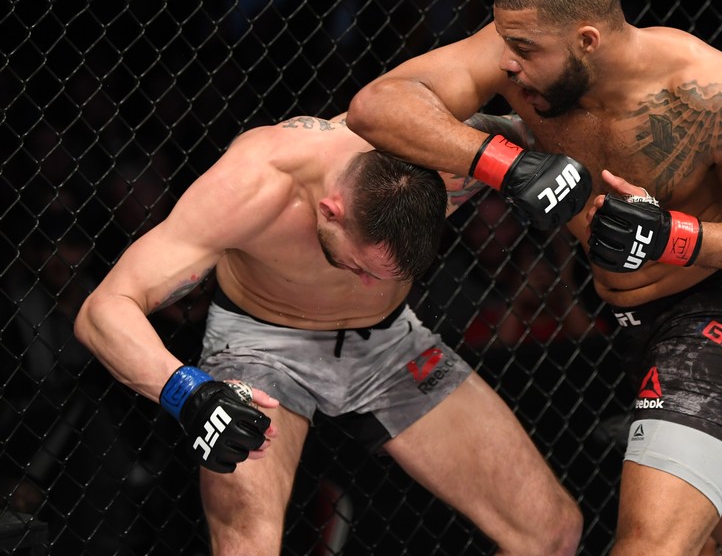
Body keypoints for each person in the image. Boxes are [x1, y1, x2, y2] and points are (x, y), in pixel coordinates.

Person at [347, 0, 722, 555]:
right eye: (505, 43)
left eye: (526, 50)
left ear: (587, 40)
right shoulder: (515, 46)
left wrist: (674, 235)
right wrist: (508, 164)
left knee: (648, 546)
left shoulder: (710, 90)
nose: (508, 66)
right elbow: (376, 107)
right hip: (637, 323)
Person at [74, 114, 582, 556]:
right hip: (260, 348)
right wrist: (190, 392)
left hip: (390, 343)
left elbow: (571, 122)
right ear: (331, 210)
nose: (362, 285)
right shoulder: (254, 183)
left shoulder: (447, 154)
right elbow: (104, 309)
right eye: (361, 267)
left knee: (551, 533)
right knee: (246, 547)